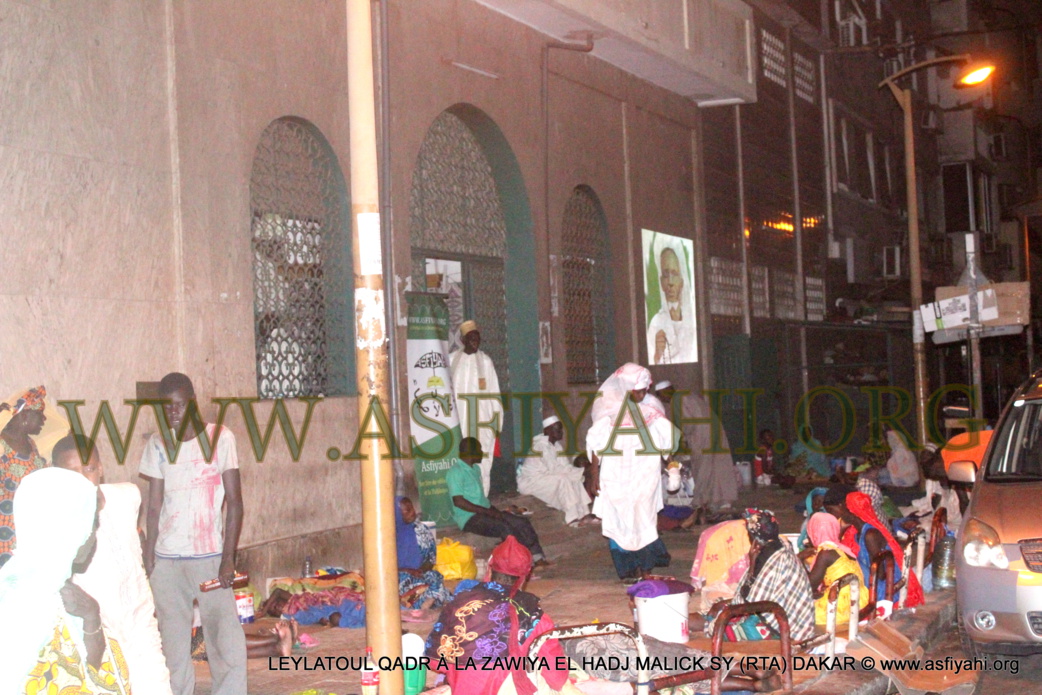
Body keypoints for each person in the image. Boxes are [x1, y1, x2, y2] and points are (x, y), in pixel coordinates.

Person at [140, 372, 247, 695]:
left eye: (179, 405)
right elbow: (154, 505)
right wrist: (149, 556)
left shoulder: (220, 439)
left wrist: (228, 559)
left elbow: (235, 503)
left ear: (193, 403)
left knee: (224, 641)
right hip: (168, 562)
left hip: (209, 558)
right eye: (166, 406)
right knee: (173, 648)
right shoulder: (158, 444)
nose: (173, 412)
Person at [51, 433, 176, 694]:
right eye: (72, 473)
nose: (83, 480)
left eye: (89, 469)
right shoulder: (57, 519)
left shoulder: (127, 496)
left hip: (140, 622)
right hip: (99, 629)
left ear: (101, 468)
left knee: (157, 685)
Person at [0, 467, 132, 694]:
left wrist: (91, 616)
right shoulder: (25, 603)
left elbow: (86, 672)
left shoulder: (55, 588)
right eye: (91, 521)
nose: (93, 533)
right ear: (69, 528)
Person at [425, 536, 569, 695]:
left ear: (490, 567)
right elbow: (557, 677)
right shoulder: (533, 614)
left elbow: (435, 662)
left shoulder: (459, 602)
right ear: (526, 575)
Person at [587, 364, 679, 580]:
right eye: (637, 391)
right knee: (618, 519)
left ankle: (646, 568)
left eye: (644, 390)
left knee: (644, 518)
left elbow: (665, 439)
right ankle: (627, 570)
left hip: (644, 474)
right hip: (614, 475)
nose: (641, 395)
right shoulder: (608, 407)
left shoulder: (652, 407)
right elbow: (596, 442)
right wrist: (594, 474)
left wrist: (672, 467)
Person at [696, 509, 815, 642]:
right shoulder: (780, 547)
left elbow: (751, 599)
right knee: (714, 610)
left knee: (715, 625)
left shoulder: (768, 557)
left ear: (752, 534)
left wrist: (752, 565)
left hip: (779, 627)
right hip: (791, 619)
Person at [447, 437, 549, 565]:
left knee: (520, 522)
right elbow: (458, 502)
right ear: (472, 452)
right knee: (505, 527)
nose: (482, 453)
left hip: (484, 512)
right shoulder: (455, 472)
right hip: (469, 518)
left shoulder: (475, 469)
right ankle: (519, 563)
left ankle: (537, 558)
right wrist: (489, 512)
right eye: (479, 450)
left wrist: (497, 512)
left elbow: (481, 500)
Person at [825, 489, 923, 608]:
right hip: (870, 581)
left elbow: (880, 575)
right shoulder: (855, 532)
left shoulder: (870, 535)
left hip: (881, 588)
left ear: (852, 512)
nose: (840, 512)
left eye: (844, 508)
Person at [656, 380, 738, 511]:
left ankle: (700, 502)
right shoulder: (688, 394)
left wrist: (678, 440)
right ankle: (724, 500)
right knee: (719, 466)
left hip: (702, 436)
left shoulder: (676, 400)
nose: (662, 399)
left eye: (661, 396)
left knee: (702, 468)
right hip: (715, 430)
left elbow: (686, 424)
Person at [449, 319, 504, 495]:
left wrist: (496, 424)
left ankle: (482, 499)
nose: (475, 342)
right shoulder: (452, 360)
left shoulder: (485, 361)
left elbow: (494, 393)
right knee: (461, 461)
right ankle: (465, 499)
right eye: (471, 338)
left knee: (483, 461)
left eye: (477, 338)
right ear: (463, 340)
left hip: (482, 423)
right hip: (460, 422)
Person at [0, 385, 50, 568]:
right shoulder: (2, 446)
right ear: (24, 416)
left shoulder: (31, 444)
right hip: (6, 533)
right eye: (40, 414)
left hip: (31, 530)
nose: (44, 419)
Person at [517, 416, 593, 525]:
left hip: (546, 478)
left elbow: (565, 466)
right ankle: (571, 518)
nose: (561, 432)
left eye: (561, 429)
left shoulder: (557, 446)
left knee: (573, 478)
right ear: (547, 431)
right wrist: (582, 471)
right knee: (563, 479)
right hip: (531, 482)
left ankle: (585, 514)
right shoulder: (540, 446)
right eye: (558, 430)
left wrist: (579, 472)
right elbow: (555, 469)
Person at [805, 512, 868, 626]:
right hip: (860, 598)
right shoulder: (842, 548)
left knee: (798, 612)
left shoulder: (825, 553)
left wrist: (798, 559)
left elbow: (808, 587)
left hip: (841, 605)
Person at [396, 496, 450, 611]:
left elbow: (431, 558)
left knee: (434, 577)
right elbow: (382, 567)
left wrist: (421, 570)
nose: (413, 513)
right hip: (399, 577)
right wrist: (408, 571)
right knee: (412, 589)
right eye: (407, 510)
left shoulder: (421, 530)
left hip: (420, 575)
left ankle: (427, 602)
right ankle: (427, 602)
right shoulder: (387, 534)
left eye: (412, 508)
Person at [646, 242, 697, 364]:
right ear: (661, 282)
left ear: (682, 281)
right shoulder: (655, 324)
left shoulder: (692, 322)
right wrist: (657, 355)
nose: (670, 282)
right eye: (665, 275)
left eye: (674, 274)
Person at [795, 487, 828, 551]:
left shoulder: (831, 522)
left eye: (822, 502)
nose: (817, 505)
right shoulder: (807, 522)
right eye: (814, 502)